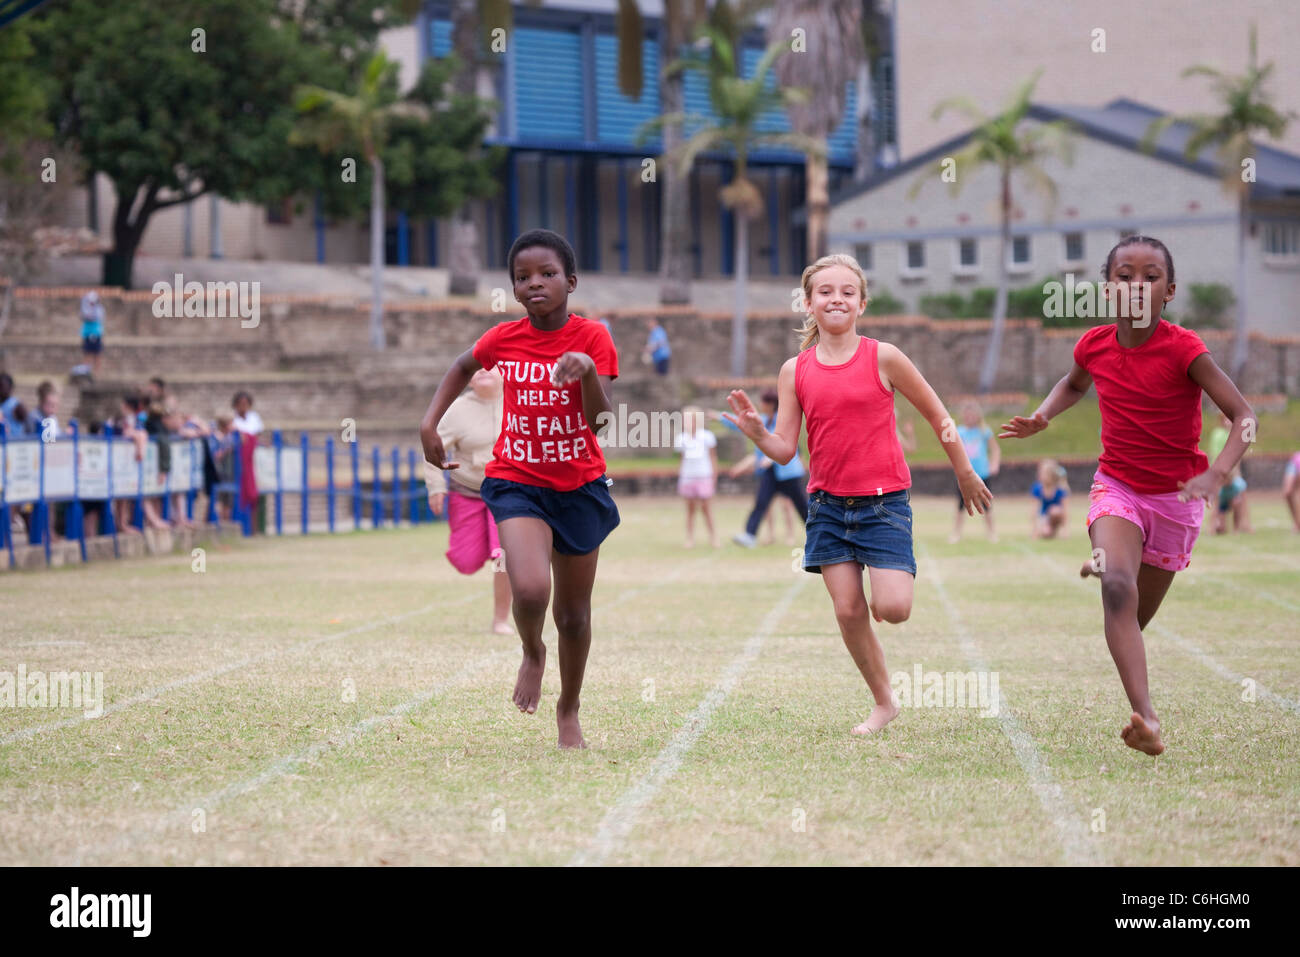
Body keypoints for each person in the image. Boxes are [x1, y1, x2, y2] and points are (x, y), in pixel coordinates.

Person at [1000, 235, 1254, 756]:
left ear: (1170, 291)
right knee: (1117, 588)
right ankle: (1149, 722)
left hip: (1178, 501)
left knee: (1131, 617)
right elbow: (1074, 384)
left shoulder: (1185, 349)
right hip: (1117, 487)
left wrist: (1219, 474)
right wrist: (1044, 416)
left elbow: (1246, 418)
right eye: (1124, 275)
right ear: (1107, 288)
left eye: (1150, 276)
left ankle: (1108, 560)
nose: (1137, 285)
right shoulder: (1092, 344)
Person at [724, 253, 992, 735]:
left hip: (884, 504)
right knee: (848, 610)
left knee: (893, 609)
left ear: (862, 303)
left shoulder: (883, 356)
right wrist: (757, 434)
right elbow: (784, 450)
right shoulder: (795, 370)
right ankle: (884, 702)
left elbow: (938, 416)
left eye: (847, 292)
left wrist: (965, 473)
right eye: (825, 292)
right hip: (827, 507)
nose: (836, 299)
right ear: (808, 304)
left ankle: (886, 583)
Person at [420, 228, 619, 749]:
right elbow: (462, 365)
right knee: (530, 589)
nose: (535, 284)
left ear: (570, 282)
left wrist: (587, 374)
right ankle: (532, 650)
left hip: (579, 485)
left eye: (548, 274)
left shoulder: (593, 337)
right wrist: (429, 421)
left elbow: (600, 423)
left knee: (574, 615)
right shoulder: (503, 338)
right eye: (523, 277)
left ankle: (568, 707)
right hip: (517, 480)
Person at [425, 366, 513, 634]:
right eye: (476, 368)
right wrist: (436, 486)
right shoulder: (457, 409)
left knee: (503, 557)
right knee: (466, 561)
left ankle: (500, 620)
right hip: (468, 491)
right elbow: (433, 446)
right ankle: (487, 546)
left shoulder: (520, 400)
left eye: (491, 366)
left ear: (504, 371)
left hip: (509, 493)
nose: (483, 370)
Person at [720, 390, 809, 548]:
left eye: (763, 402)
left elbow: (785, 442)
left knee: (802, 505)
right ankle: (749, 535)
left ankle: (818, 533)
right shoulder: (763, 420)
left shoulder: (781, 420)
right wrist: (716, 416)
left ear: (770, 404)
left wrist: (770, 458)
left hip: (787, 472)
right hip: (770, 474)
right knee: (761, 502)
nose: (761, 405)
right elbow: (739, 422)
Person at [950, 400, 1000, 543]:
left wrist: (994, 464)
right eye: (967, 415)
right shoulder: (959, 431)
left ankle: (992, 533)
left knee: (987, 504)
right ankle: (956, 533)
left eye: (972, 414)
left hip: (982, 473)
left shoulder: (984, 431)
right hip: (965, 475)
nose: (970, 417)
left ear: (978, 416)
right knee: (960, 505)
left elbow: (995, 449)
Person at [673, 405, 719, 548]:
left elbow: (713, 457)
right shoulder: (681, 438)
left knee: (706, 509)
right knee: (690, 510)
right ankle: (690, 538)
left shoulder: (707, 436)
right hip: (688, 477)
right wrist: (681, 475)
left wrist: (714, 476)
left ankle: (713, 538)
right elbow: (682, 459)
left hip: (704, 475)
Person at [1206, 411, 1252, 534]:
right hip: (1222, 473)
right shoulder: (1219, 434)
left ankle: (1240, 524)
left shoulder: (1231, 434)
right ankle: (1215, 525)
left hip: (1230, 473)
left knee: (1237, 496)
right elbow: (1218, 454)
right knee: (1219, 499)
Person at [1031, 459, 1069, 539]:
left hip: (1056, 516)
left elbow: (1065, 511)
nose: (1040, 475)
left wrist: (1065, 531)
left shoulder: (1061, 489)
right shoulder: (1037, 488)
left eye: (1043, 473)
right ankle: (1048, 529)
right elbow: (1034, 511)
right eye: (1040, 473)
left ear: (1051, 475)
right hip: (1044, 517)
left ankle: (1054, 528)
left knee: (1055, 510)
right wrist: (1035, 530)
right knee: (1046, 534)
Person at [80, 290, 105, 378]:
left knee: (97, 355)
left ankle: (97, 374)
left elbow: (93, 316)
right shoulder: (85, 308)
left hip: (96, 334)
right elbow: (84, 315)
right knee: (87, 354)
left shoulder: (99, 309)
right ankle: (85, 373)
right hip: (87, 334)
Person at [0, 372, 29, 436]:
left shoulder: (16, 405)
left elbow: (25, 418)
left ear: (10, 388)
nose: (1, 390)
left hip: (14, 442)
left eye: (3, 386)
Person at [1284, 450, 1300, 533]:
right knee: (1287, 492)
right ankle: (1297, 522)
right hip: (1295, 460)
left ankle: (1298, 524)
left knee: (1297, 490)